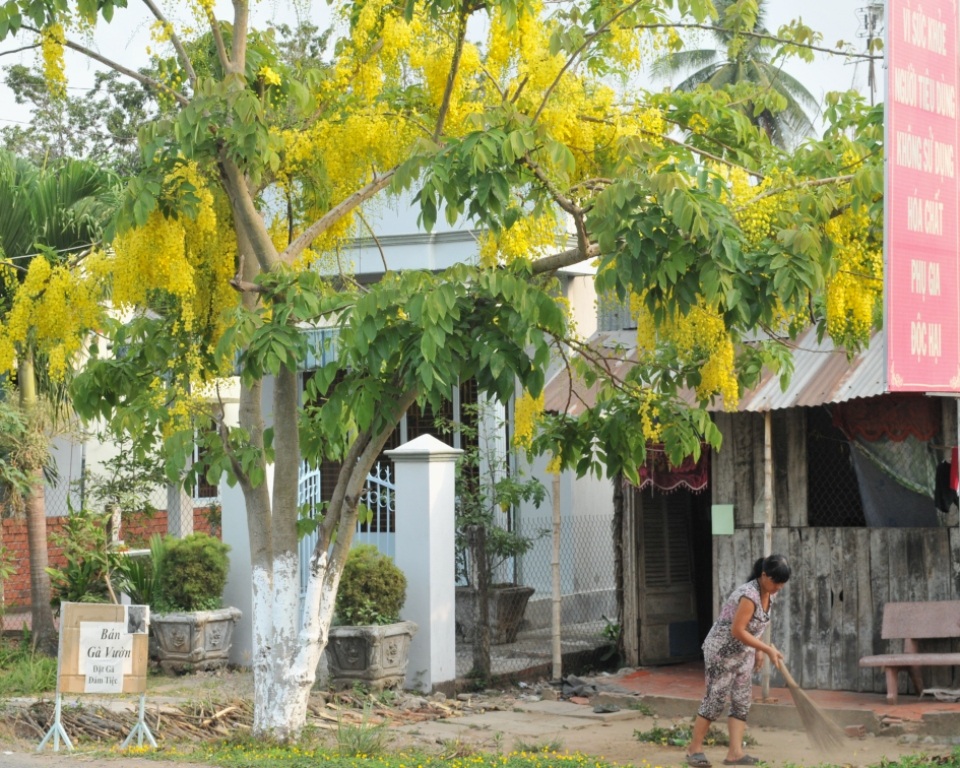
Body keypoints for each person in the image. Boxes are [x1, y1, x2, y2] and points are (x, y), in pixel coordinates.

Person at [685, 553, 791, 767]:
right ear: (764, 575)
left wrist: (758, 650)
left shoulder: (770, 594)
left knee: (742, 701)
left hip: (744, 653)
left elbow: (757, 624)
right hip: (721, 652)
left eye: (782, 583)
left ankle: (735, 753)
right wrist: (766, 649)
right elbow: (738, 630)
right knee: (715, 700)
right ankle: (694, 750)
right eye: (776, 582)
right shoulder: (748, 595)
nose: (779, 587)